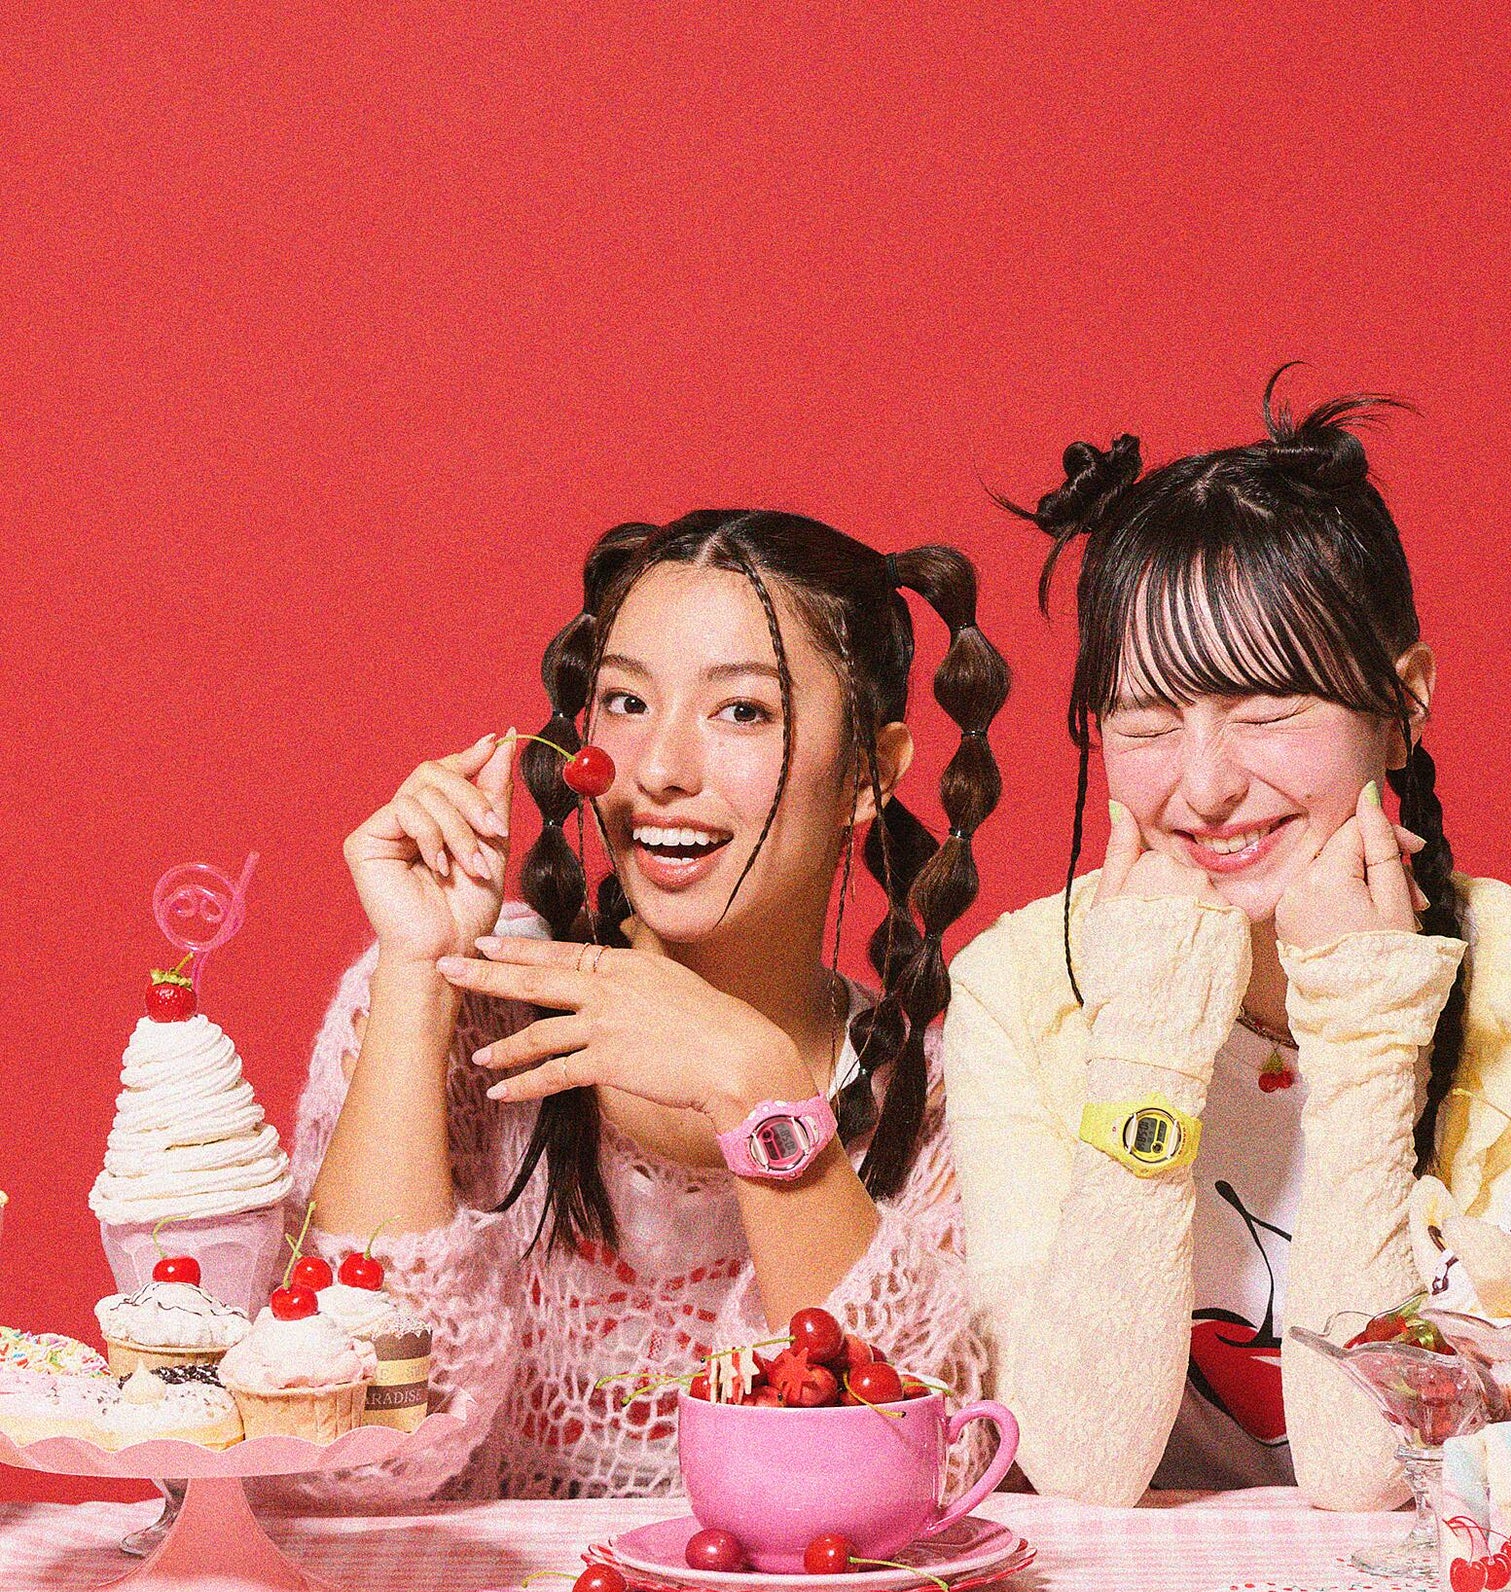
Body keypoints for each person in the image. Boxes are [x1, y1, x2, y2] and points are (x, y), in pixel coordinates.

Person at [944, 377, 1511, 1509]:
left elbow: (1374, 1475)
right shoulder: (1020, 990)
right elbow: (1073, 1463)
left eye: (1267, 707)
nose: (1207, 785)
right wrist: (1145, 1041)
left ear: (1401, 700)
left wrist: (1368, 1036)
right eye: (1145, 720)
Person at [290, 510, 1009, 1500]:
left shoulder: (942, 1095)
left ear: (867, 774)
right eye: (625, 701)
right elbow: (351, 1452)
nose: (661, 768)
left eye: (742, 712)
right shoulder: (462, 1003)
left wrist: (750, 1084)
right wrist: (418, 975)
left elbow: (895, 1487)